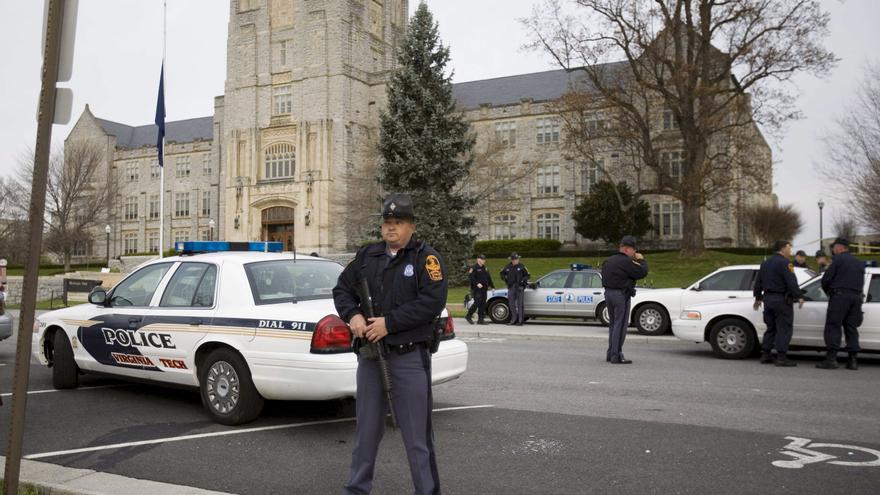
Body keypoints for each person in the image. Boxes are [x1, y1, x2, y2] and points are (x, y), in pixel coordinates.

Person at [333, 193, 447, 495]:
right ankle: (356, 490)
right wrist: (354, 315)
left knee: (416, 437)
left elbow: (432, 302)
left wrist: (389, 323)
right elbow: (342, 290)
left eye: (398, 223)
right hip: (371, 358)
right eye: (387, 223)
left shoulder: (426, 258)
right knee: (366, 432)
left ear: (411, 226)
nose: (391, 228)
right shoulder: (367, 256)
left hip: (409, 358)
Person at [816, 237, 865, 370]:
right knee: (851, 328)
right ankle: (853, 361)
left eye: (834, 247)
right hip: (856, 298)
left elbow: (826, 279)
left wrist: (830, 293)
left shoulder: (838, 260)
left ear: (840, 247)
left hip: (840, 297)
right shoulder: (859, 263)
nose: (833, 250)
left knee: (833, 326)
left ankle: (831, 359)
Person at [753, 240, 804, 367]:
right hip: (781, 300)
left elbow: (758, 282)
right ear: (782, 249)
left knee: (771, 328)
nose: (790, 251)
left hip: (768, 300)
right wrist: (799, 296)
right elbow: (791, 281)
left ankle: (766, 354)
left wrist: (758, 297)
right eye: (788, 248)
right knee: (784, 328)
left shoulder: (765, 263)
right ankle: (781, 357)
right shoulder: (786, 263)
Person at [601, 236, 648, 364]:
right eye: (634, 250)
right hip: (620, 296)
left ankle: (610, 353)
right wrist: (642, 260)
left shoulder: (608, 261)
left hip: (608, 294)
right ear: (627, 249)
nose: (635, 253)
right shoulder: (626, 261)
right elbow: (642, 272)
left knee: (613, 325)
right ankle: (617, 355)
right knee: (620, 326)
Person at [500, 252, 530, 325]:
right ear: (512, 260)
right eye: (514, 259)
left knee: (520, 304)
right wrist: (505, 279)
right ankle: (513, 320)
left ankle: (520, 320)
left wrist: (523, 281)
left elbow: (527, 275)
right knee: (511, 304)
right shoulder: (507, 267)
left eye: (517, 259)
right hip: (511, 287)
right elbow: (502, 273)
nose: (516, 260)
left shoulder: (522, 266)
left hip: (519, 287)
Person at [465, 254, 494, 325]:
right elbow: (471, 277)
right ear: (478, 259)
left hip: (484, 288)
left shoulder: (485, 268)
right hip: (476, 289)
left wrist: (492, 286)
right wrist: (477, 283)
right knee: (477, 303)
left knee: (483, 304)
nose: (484, 261)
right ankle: (468, 316)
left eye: (484, 259)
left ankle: (480, 320)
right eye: (482, 259)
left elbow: (488, 278)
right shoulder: (474, 268)